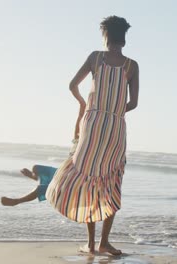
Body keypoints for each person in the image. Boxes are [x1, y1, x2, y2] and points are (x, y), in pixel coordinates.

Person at [45, 16, 139, 256]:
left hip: (93, 123)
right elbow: (134, 103)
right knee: (111, 181)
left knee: (87, 178)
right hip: (116, 129)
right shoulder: (132, 66)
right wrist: (115, 112)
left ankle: (90, 243)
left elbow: (72, 85)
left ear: (105, 36)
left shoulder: (96, 58)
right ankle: (105, 242)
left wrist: (85, 104)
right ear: (124, 39)